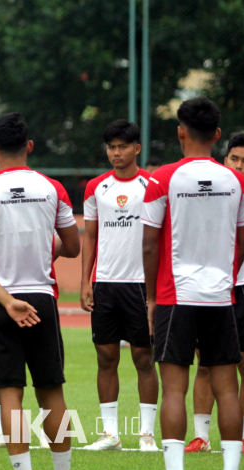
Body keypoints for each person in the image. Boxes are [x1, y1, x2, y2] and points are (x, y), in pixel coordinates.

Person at [0, 113, 80, 470]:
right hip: (43, 299)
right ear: (29, 146)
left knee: (9, 393)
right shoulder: (53, 188)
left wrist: (7, 300)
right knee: (52, 392)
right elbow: (73, 247)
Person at [140, 97, 244, 470]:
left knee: (173, 389)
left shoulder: (161, 178)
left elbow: (149, 245)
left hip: (175, 297)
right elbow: (241, 243)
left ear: (181, 132)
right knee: (227, 389)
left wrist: (151, 298)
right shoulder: (238, 181)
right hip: (221, 297)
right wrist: (224, 279)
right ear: (218, 136)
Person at [80, 120, 160, 452]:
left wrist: (157, 292)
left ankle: (146, 435)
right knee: (105, 357)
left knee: (144, 357)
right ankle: (110, 434)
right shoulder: (96, 188)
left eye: (123, 146)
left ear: (136, 149)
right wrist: (86, 280)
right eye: (111, 147)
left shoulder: (152, 186)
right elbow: (92, 236)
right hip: (106, 284)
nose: (116, 152)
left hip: (140, 285)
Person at [186, 132, 244, 455]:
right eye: (235, 158)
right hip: (210, 287)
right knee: (205, 364)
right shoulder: (211, 191)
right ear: (225, 159)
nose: (240, 165)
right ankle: (201, 436)